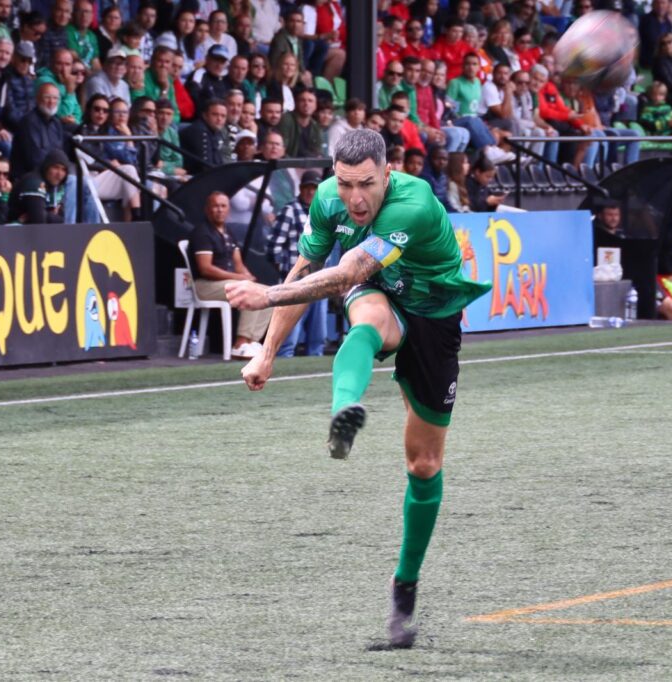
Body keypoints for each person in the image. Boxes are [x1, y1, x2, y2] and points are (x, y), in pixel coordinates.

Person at [224, 129, 491, 649]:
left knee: (424, 464)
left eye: (366, 183)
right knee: (366, 317)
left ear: (387, 173)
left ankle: (404, 588)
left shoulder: (413, 204)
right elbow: (306, 270)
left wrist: (266, 295)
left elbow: (347, 269)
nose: (355, 198)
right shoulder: (327, 200)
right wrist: (267, 352)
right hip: (380, 294)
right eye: (345, 184)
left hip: (434, 313)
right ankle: (344, 411)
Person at [188, 191, 273, 358]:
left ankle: (251, 341)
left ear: (228, 209)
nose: (219, 210)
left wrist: (248, 276)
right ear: (207, 209)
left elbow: (238, 264)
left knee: (269, 294)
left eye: (223, 206)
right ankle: (240, 344)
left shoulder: (228, 232)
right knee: (248, 291)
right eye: (215, 206)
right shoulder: (202, 232)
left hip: (226, 284)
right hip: (204, 285)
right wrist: (241, 279)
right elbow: (206, 269)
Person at [266, 169, 328, 358]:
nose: (310, 191)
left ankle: (313, 368)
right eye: (307, 187)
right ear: (300, 189)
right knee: (289, 335)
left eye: (314, 188)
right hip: (296, 279)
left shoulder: (323, 212)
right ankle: (283, 365)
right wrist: (287, 272)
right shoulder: (290, 210)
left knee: (318, 335)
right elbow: (273, 247)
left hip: (320, 278)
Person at [8, 148, 69, 224]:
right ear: (46, 167)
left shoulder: (57, 185)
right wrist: (51, 216)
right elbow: (38, 221)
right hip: (15, 228)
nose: (59, 174)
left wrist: (47, 215)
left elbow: (62, 220)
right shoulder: (34, 182)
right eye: (56, 167)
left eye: (63, 170)